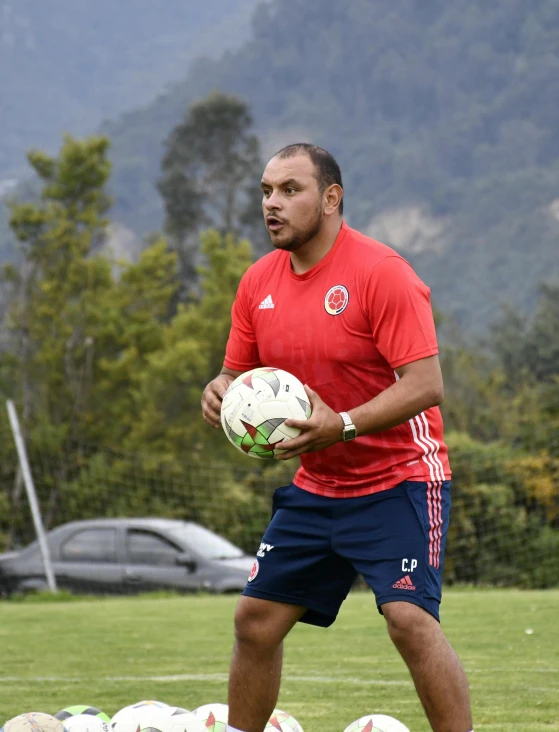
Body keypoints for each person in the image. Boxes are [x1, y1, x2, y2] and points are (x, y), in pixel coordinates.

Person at [201, 143, 473, 732]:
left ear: (331, 199)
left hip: (400, 477)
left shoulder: (382, 273)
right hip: (319, 486)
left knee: (408, 619)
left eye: (290, 190)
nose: (272, 204)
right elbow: (235, 371)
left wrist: (343, 424)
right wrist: (220, 391)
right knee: (255, 622)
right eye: (267, 192)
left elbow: (427, 385)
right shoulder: (257, 283)